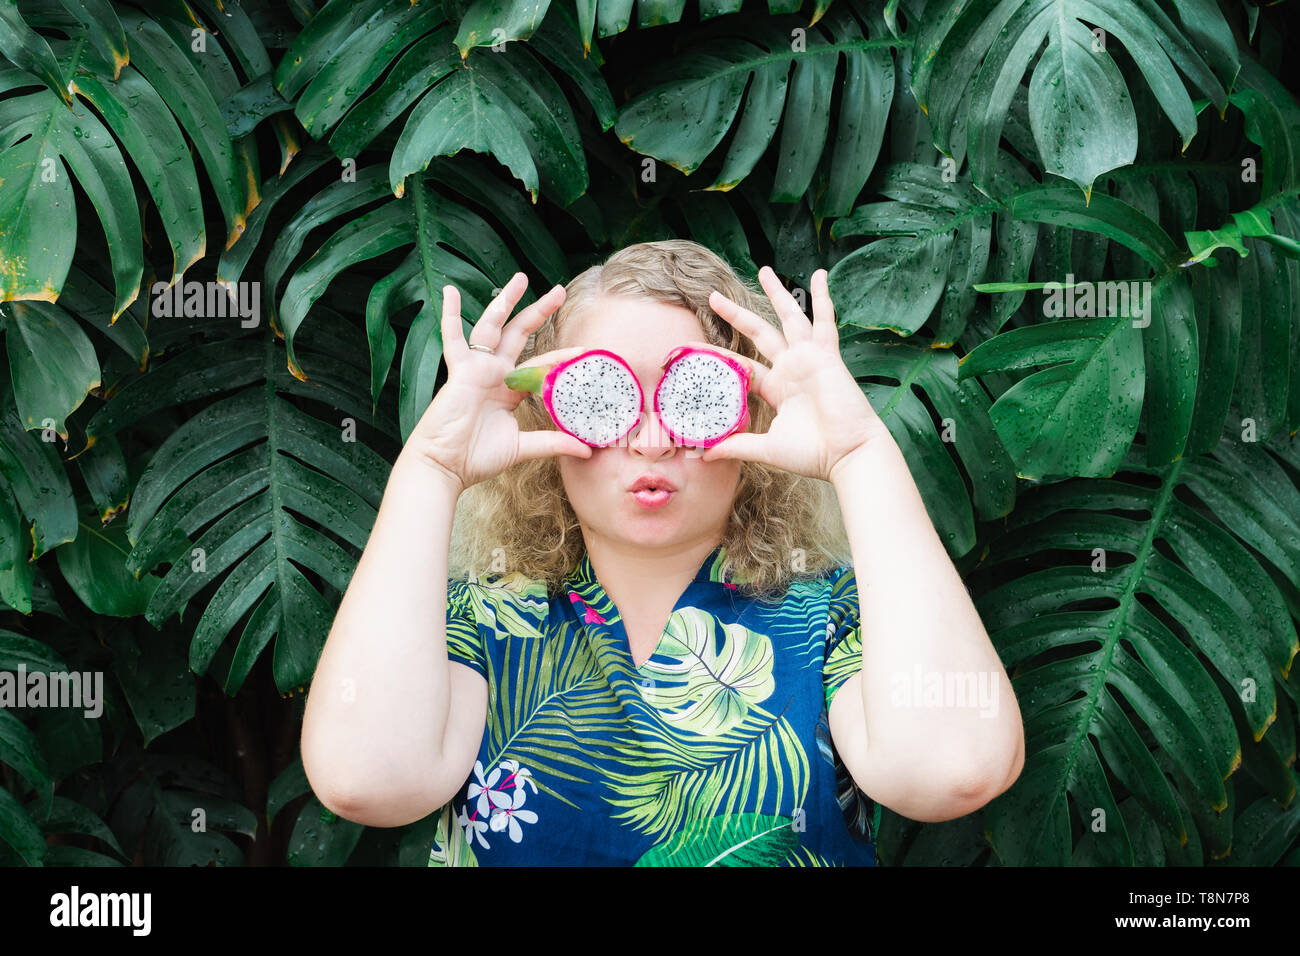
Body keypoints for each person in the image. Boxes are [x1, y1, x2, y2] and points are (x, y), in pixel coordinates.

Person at [301, 240, 1025, 866]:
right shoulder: (482, 622)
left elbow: (956, 768)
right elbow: (365, 779)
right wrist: (431, 468)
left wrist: (861, 453)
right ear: (543, 410)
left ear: (754, 410)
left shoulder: (833, 615)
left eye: (696, 396)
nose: (650, 441)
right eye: (600, 397)